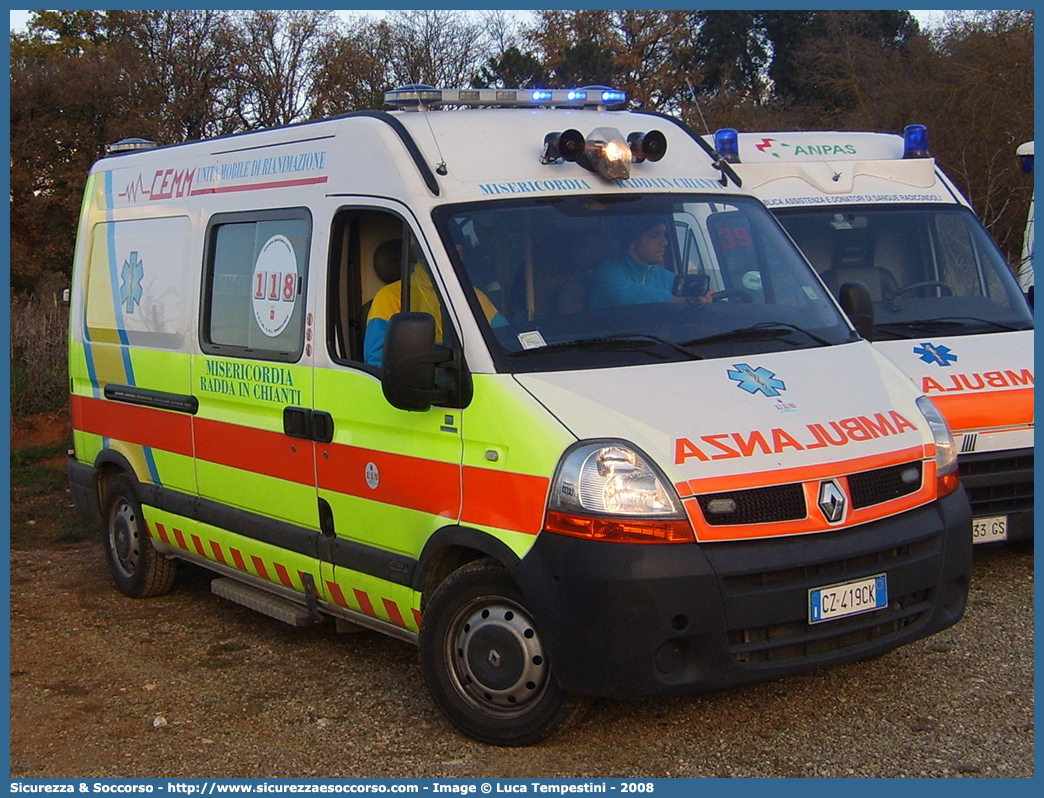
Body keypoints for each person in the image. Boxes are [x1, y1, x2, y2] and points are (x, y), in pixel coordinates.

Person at [364, 247, 506, 368]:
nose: (451, 257)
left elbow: (506, 338)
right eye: (443, 250)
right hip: (423, 391)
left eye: (458, 252)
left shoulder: (473, 295)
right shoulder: (391, 296)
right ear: (422, 252)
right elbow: (376, 358)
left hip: (474, 382)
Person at [589, 219, 712, 308]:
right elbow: (624, 294)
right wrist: (675, 300)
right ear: (633, 243)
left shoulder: (669, 277)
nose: (664, 242)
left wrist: (699, 300)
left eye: (664, 235)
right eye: (654, 236)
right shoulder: (607, 270)